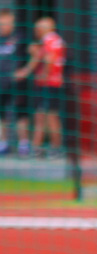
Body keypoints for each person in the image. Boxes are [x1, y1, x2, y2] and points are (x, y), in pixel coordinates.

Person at [15, 17, 65, 158]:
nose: (36, 31)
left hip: (49, 85)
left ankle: (53, 148)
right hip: (51, 84)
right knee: (42, 116)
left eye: (38, 28)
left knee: (49, 117)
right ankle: (38, 147)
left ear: (46, 28)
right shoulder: (55, 40)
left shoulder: (49, 40)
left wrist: (43, 74)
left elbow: (48, 59)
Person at [0, 9, 31, 156]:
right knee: (2, 115)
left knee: (20, 114)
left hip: (17, 83)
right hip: (1, 83)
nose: (4, 26)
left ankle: (24, 145)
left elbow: (37, 52)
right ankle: (3, 144)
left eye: (7, 23)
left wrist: (26, 70)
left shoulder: (20, 37)